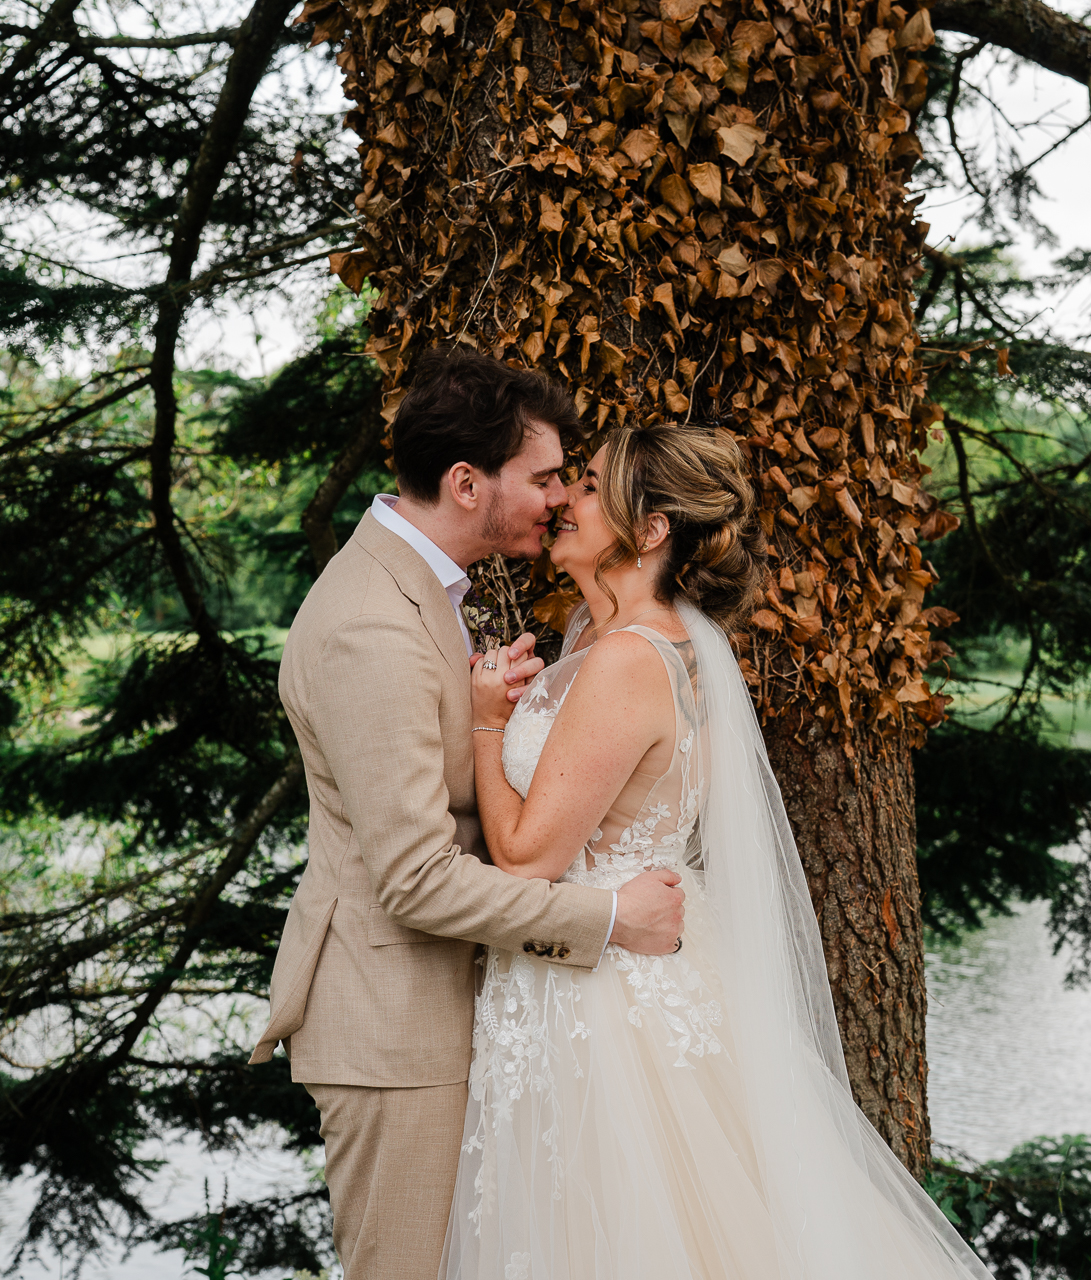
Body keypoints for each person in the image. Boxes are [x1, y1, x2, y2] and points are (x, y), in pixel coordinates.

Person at [448, 422, 993, 1279]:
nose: (564, 501)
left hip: (605, 998)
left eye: (589, 486)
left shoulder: (627, 658)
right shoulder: (617, 641)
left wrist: (485, 723)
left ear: (652, 528)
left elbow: (524, 860)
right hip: (602, 963)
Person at [249, 350, 686, 1280]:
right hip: (393, 1028)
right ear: (465, 482)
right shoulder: (373, 625)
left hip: (461, 1010)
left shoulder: (427, 592)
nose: (559, 497)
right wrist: (609, 919)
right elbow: (412, 878)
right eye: (541, 477)